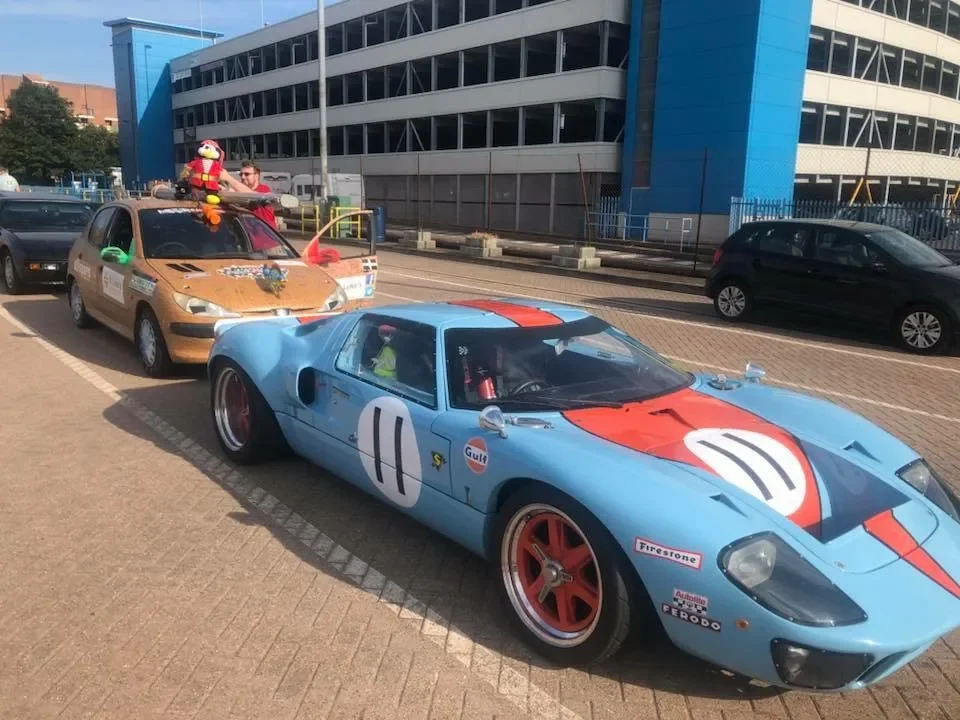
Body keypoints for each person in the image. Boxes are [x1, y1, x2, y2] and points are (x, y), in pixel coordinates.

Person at [238, 160, 277, 229]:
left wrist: (228, 178)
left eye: (247, 174)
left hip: (265, 236)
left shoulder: (264, 190)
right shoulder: (241, 193)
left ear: (256, 175)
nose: (243, 177)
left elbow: (252, 195)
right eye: (241, 174)